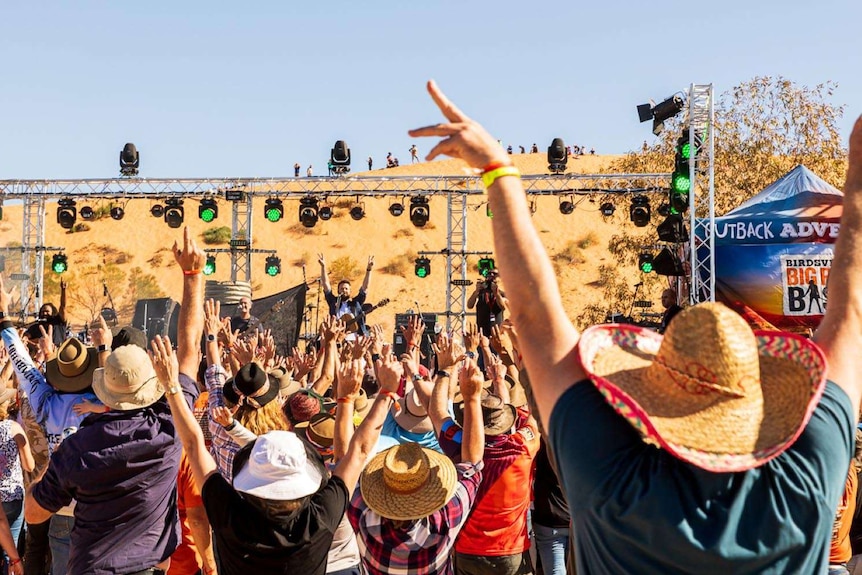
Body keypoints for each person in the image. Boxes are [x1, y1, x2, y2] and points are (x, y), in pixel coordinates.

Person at [409, 80, 862, 573]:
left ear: (656, 396)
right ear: (759, 395)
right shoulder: (809, 471)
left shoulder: (611, 479)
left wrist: (498, 170)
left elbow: (535, 318)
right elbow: (852, 308)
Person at [21, 227, 204, 574]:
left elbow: (34, 513)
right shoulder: (169, 428)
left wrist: (41, 475)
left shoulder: (78, 448)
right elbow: (192, 352)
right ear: (151, 384)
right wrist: (192, 276)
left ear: (104, 386)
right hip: (149, 569)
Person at [151, 326, 401, 575]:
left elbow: (193, 444)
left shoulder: (229, 514)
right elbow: (358, 451)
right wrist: (386, 392)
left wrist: (172, 386)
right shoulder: (321, 517)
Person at [348, 357, 485, 575]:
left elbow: (352, 456)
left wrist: (380, 393)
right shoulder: (447, 517)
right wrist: (472, 399)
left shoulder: (361, 511)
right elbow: (472, 465)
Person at [318, 253, 374, 337]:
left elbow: (365, 287)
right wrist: (323, 267)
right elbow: (326, 285)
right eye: (342, 289)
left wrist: (369, 270)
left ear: (350, 291)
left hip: (355, 336)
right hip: (337, 335)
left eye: (346, 289)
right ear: (338, 291)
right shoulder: (333, 301)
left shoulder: (356, 302)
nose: (344, 290)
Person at [467, 270, 507, 337]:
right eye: (488, 273)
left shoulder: (502, 294)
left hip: (497, 332)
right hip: (482, 332)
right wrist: (476, 292)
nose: (491, 275)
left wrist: (496, 294)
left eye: (494, 274)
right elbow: (469, 305)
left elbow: (503, 307)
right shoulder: (481, 292)